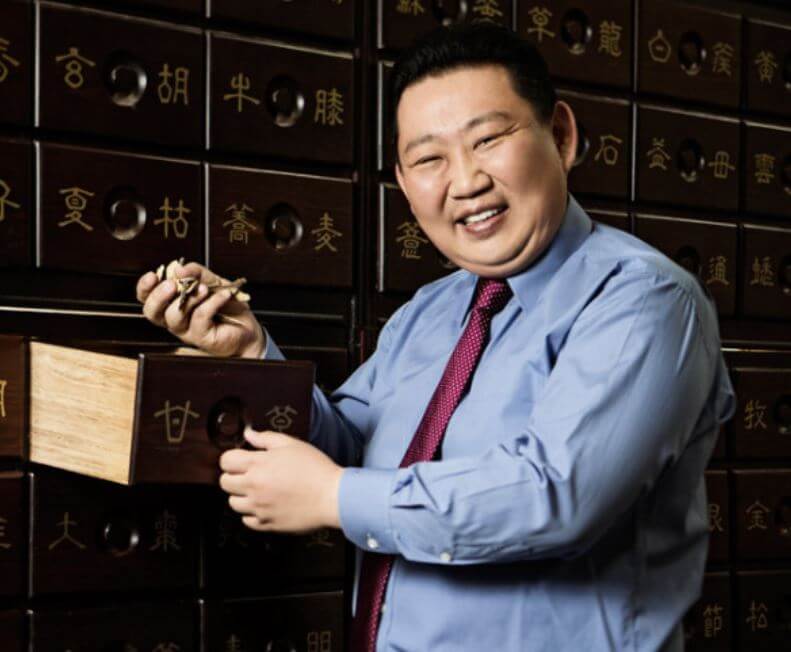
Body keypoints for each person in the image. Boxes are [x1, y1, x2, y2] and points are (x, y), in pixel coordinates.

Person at [137, 23, 735, 652]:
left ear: (561, 136)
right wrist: (252, 353)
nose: (466, 180)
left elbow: (559, 494)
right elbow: (351, 446)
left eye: (489, 139)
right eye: (430, 159)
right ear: (402, 181)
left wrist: (335, 497)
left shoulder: (644, 299)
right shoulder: (429, 311)